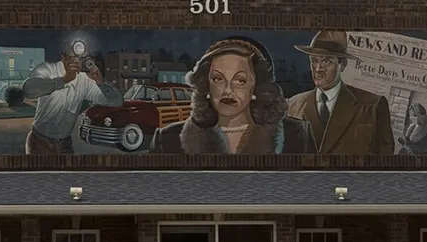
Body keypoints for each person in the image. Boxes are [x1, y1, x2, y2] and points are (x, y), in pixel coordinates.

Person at [152, 37, 315, 154]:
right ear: (206, 86)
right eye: (218, 79)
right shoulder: (167, 140)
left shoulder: (298, 135)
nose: (227, 90)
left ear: (257, 87)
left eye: (240, 80)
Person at [288, 30, 395, 155]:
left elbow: (385, 161)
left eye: (326, 61)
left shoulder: (372, 106)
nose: (318, 69)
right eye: (314, 61)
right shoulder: (294, 105)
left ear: (343, 65)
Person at [19, 35, 123, 154]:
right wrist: (63, 80)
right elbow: (28, 89)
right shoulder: (49, 69)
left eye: (82, 58)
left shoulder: (85, 80)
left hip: (64, 144)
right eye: (73, 57)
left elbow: (116, 101)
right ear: (63, 56)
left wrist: (101, 82)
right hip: (40, 141)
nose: (78, 61)